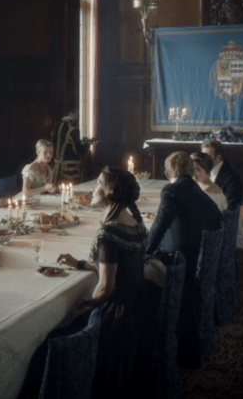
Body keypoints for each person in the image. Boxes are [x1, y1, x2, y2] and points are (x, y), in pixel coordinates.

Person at [51, 168, 162, 397]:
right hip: (140, 305)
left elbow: (105, 288)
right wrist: (81, 264)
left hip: (119, 316)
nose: (93, 188)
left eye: (98, 184)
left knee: (60, 326)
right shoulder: (136, 222)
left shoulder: (109, 232)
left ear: (110, 192)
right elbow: (121, 265)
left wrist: (83, 306)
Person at [146, 151, 222, 369]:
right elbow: (216, 219)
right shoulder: (198, 191)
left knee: (145, 275)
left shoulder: (171, 189)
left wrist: (145, 251)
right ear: (191, 171)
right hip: (202, 261)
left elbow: (162, 222)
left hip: (185, 264)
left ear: (168, 172)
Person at [200, 139, 243, 210]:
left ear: (219, 157)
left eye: (207, 156)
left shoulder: (231, 179)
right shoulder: (203, 171)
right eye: (202, 156)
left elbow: (231, 208)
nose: (203, 160)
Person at [51, 108, 88, 183]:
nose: (76, 118)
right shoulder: (72, 129)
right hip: (70, 169)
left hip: (56, 167)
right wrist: (86, 144)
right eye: (76, 115)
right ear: (71, 114)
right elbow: (79, 150)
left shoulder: (56, 126)